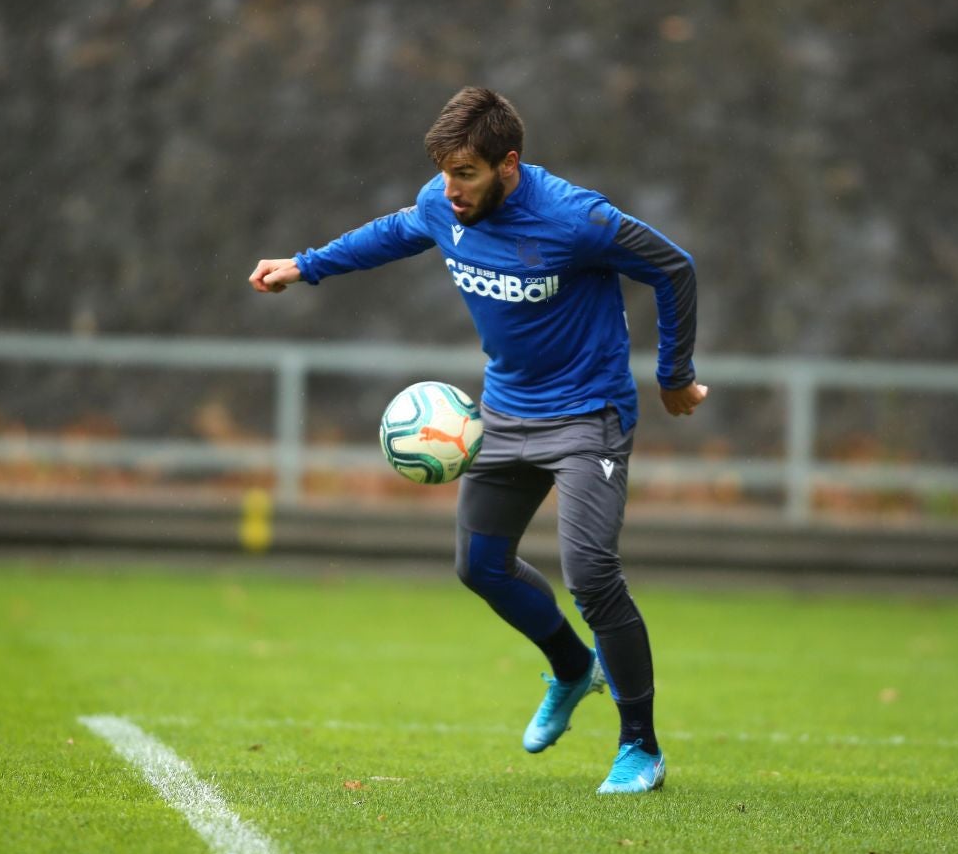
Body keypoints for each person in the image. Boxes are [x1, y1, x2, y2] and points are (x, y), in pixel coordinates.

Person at [250, 87, 706, 794]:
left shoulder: (577, 219)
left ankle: (639, 747)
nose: (450, 189)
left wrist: (674, 376)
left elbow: (673, 268)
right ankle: (571, 668)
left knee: (590, 575)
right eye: (443, 172)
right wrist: (306, 265)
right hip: (505, 413)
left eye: (465, 173)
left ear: (509, 165)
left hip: (588, 418)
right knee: (479, 566)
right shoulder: (443, 203)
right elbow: (396, 231)